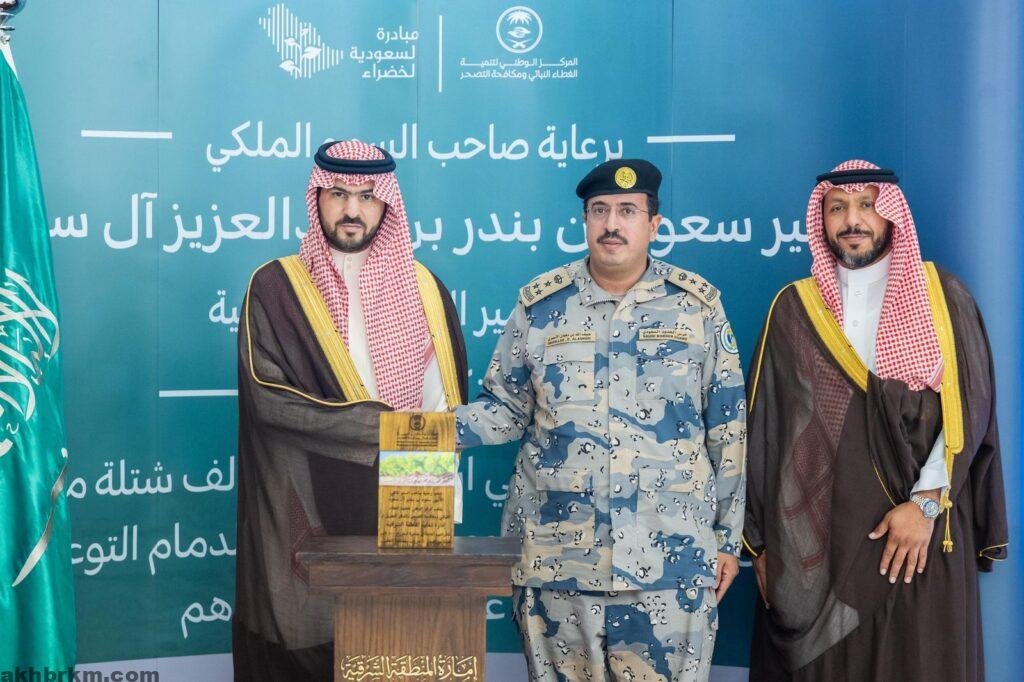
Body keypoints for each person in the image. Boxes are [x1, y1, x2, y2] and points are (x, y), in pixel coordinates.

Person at [456, 159, 746, 681]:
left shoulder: (697, 308)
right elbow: (504, 409)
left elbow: (728, 429)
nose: (612, 224)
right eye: (599, 210)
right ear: (585, 220)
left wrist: (726, 541)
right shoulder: (541, 306)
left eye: (627, 211)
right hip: (558, 563)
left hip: (670, 565)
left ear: (653, 225)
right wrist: (422, 432)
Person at [743, 159, 1008, 681]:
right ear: (821, 220)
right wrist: (762, 546)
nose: (852, 220)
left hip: (918, 538)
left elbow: (969, 408)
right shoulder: (794, 308)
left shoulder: (942, 297)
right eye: (837, 208)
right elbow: (763, 433)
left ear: (890, 214)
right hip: (821, 549)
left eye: (867, 205)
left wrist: (925, 506)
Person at [232, 140, 468, 681]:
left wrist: (425, 520)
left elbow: (439, 414)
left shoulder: (426, 290)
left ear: (387, 203)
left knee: (401, 644)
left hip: (403, 498)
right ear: (316, 197)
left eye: (366, 195)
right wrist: (381, 427)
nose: (352, 209)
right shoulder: (276, 287)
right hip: (304, 500)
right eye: (338, 193)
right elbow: (270, 400)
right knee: (307, 642)